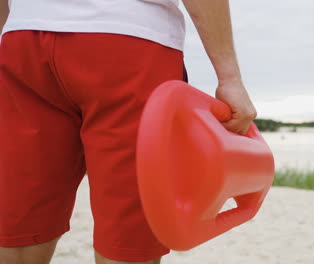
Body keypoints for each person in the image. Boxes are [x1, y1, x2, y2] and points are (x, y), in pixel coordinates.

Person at [0, 0, 257, 263]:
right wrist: (229, 78)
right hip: (130, 39)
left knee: (19, 226)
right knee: (128, 241)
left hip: (24, 39)